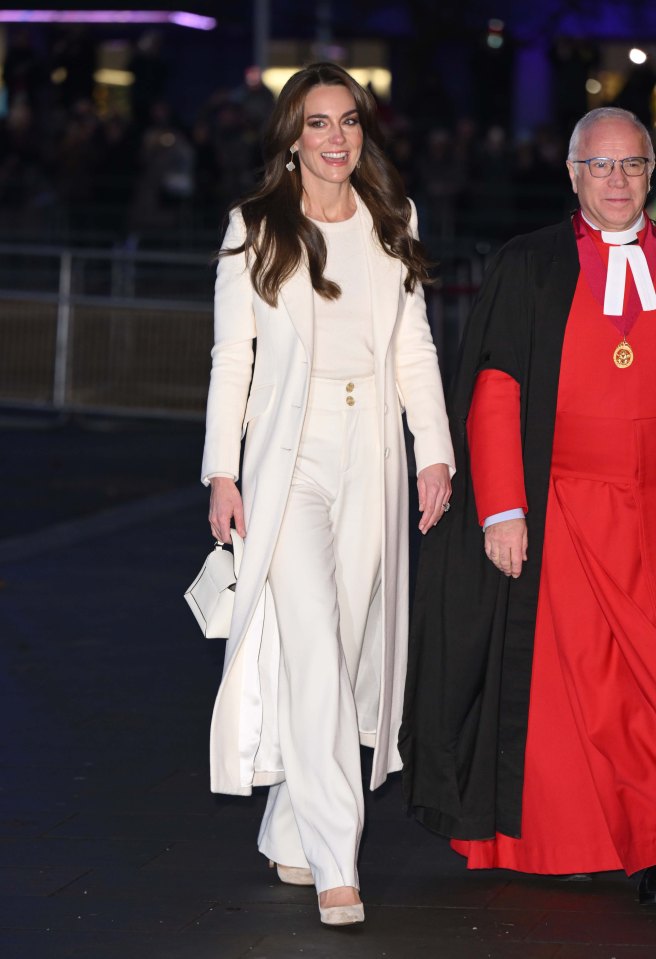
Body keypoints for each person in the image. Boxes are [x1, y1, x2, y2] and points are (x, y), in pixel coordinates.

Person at [201, 62, 455, 926]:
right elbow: (231, 359)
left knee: (341, 654)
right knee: (312, 644)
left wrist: (436, 454)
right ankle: (336, 859)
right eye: (318, 123)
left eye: (348, 121)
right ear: (292, 136)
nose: (336, 138)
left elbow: (413, 349)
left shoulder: (393, 221)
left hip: (373, 453)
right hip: (290, 458)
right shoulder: (255, 228)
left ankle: (290, 829)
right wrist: (222, 471)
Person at [400, 106, 656, 900]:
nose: (617, 181)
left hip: (648, 517)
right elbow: (496, 390)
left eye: (633, 165)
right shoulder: (532, 263)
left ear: (652, 171)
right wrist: (502, 509)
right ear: (572, 174)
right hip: (563, 516)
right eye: (600, 166)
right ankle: (610, 842)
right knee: (580, 696)